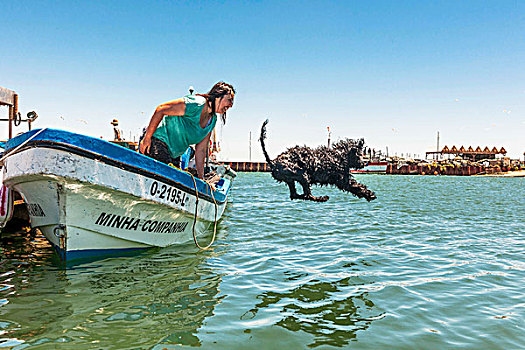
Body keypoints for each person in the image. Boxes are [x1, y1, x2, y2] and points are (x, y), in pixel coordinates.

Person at [139, 82, 235, 179]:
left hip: (175, 154)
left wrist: (201, 179)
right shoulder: (197, 103)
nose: (231, 105)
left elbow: (200, 150)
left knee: (176, 180)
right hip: (157, 140)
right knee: (169, 178)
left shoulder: (212, 120)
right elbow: (161, 109)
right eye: (229, 100)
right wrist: (147, 138)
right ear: (218, 95)